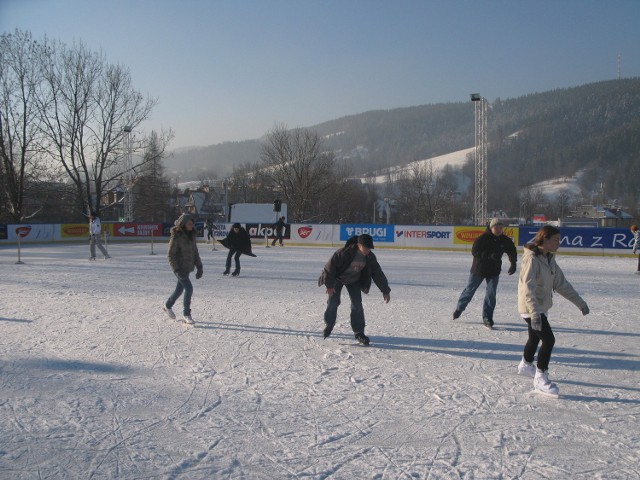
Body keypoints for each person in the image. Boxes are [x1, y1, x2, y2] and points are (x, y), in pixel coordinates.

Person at [517, 225, 589, 396]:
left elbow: (561, 284)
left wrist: (580, 303)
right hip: (531, 306)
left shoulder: (549, 259)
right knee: (548, 340)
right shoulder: (532, 259)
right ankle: (540, 379)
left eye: (559, 239)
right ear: (545, 239)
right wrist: (535, 314)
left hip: (541, 305)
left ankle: (526, 365)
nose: (559, 243)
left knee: (534, 338)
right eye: (556, 240)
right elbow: (528, 289)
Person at [318, 234, 391, 346]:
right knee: (333, 301)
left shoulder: (370, 257)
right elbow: (329, 268)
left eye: (369, 248)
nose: (367, 251)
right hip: (337, 279)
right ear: (359, 245)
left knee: (357, 305)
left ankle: (359, 332)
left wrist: (385, 290)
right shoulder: (344, 253)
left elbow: (377, 273)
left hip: (354, 280)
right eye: (365, 248)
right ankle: (329, 324)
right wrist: (329, 286)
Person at [452, 218, 517, 328]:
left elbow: (512, 251)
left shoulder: (505, 240)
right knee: (469, 291)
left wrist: (513, 264)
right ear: (491, 227)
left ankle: (487, 317)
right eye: (496, 227)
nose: (499, 230)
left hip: (494, 271)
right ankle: (459, 308)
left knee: (491, 294)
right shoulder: (483, 238)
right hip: (479, 269)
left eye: (501, 228)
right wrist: (489, 255)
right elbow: (475, 251)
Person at [163, 213, 203, 325]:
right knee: (189, 288)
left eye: (192, 223)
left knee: (179, 290)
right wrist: (176, 269)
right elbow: (171, 255)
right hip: (179, 268)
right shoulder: (176, 236)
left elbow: (195, 252)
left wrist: (199, 266)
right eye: (189, 224)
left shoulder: (191, 235)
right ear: (183, 224)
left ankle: (167, 305)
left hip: (187, 267)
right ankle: (187, 314)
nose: (192, 225)